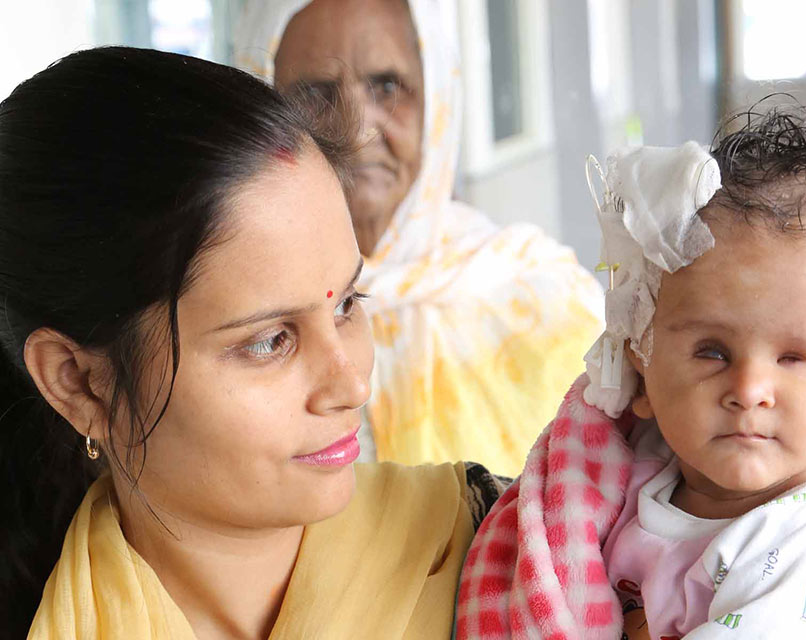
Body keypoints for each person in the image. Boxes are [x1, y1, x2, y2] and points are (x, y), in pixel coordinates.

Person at [0, 47, 506, 640]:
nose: (352, 384)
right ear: (78, 381)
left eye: (346, 305)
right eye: (270, 342)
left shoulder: (520, 562)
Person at [455, 107, 806, 639]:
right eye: (713, 352)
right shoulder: (632, 473)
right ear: (641, 367)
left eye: (793, 358)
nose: (748, 391)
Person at [234, 0, 605, 475]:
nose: (360, 130)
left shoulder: (548, 299)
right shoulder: (235, 317)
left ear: (439, 101)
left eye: (387, 87)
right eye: (313, 94)